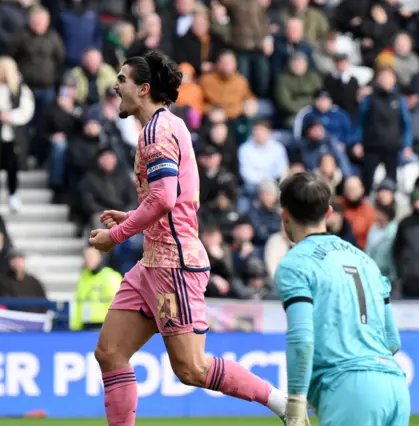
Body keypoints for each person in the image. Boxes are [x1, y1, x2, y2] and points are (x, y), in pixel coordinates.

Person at [87, 51, 288, 425]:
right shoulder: (167, 125)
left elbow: (164, 199)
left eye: (122, 80)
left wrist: (116, 235)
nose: (115, 86)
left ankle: (282, 404)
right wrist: (134, 217)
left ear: (144, 89)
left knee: (192, 368)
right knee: (110, 351)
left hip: (173, 265)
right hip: (153, 262)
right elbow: (172, 201)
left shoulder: (156, 132)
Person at [275, 172, 409, 426]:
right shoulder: (366, 261)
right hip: (395, 386)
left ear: (284, 216)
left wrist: (296, 402)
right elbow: (392, 341)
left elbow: (302, 338)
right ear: (328, 213)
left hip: (349, 389)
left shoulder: (295, 264)